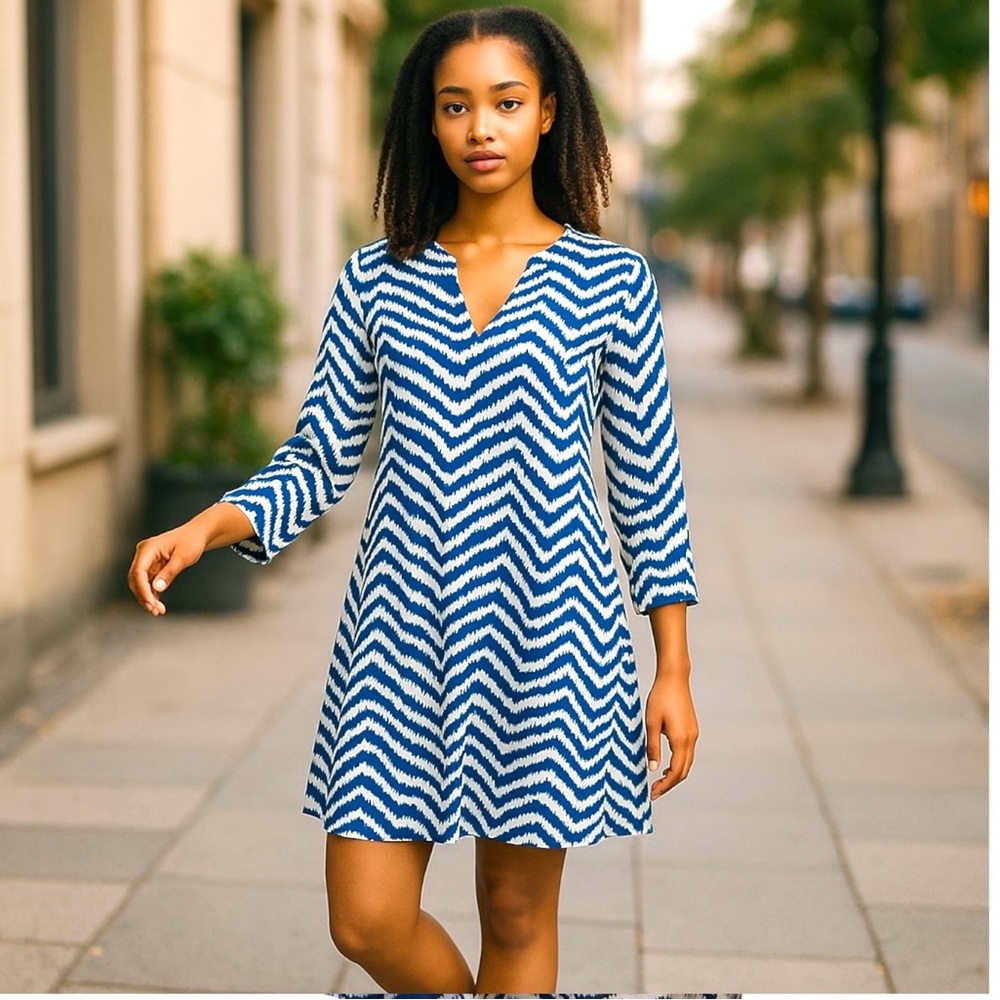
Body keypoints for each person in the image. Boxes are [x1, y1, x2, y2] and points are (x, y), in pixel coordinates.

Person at [128, 5, 700, 992]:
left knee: (517, 913)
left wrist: (674, 667)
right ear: (427, 124)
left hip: (548, 634)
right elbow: (320, 455)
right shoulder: (374, 279)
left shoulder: (612, 282)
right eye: (455, 105)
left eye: (505, 102)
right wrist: (209, 523)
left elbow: (648, 486)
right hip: (399, 635)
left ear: (548, 113)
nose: (480, 127)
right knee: (366, 920)